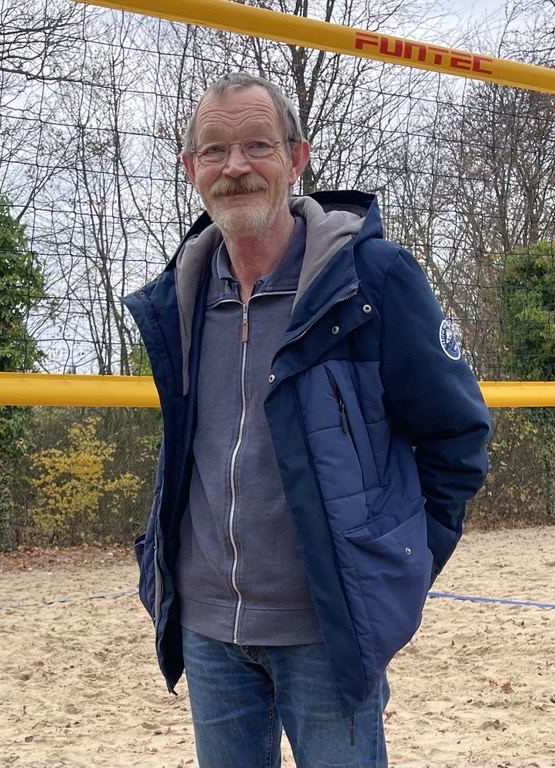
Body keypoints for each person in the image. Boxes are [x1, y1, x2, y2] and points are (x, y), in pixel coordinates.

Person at [123, 72, 491, 768]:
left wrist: (393, 565)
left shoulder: (372, 280)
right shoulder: (178, 298)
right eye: (214, 150)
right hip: (207, 628)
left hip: (327, 630)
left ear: (298, 159)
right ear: (191, 171)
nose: (235, 167)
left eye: (257, 144)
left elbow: (457, 437)